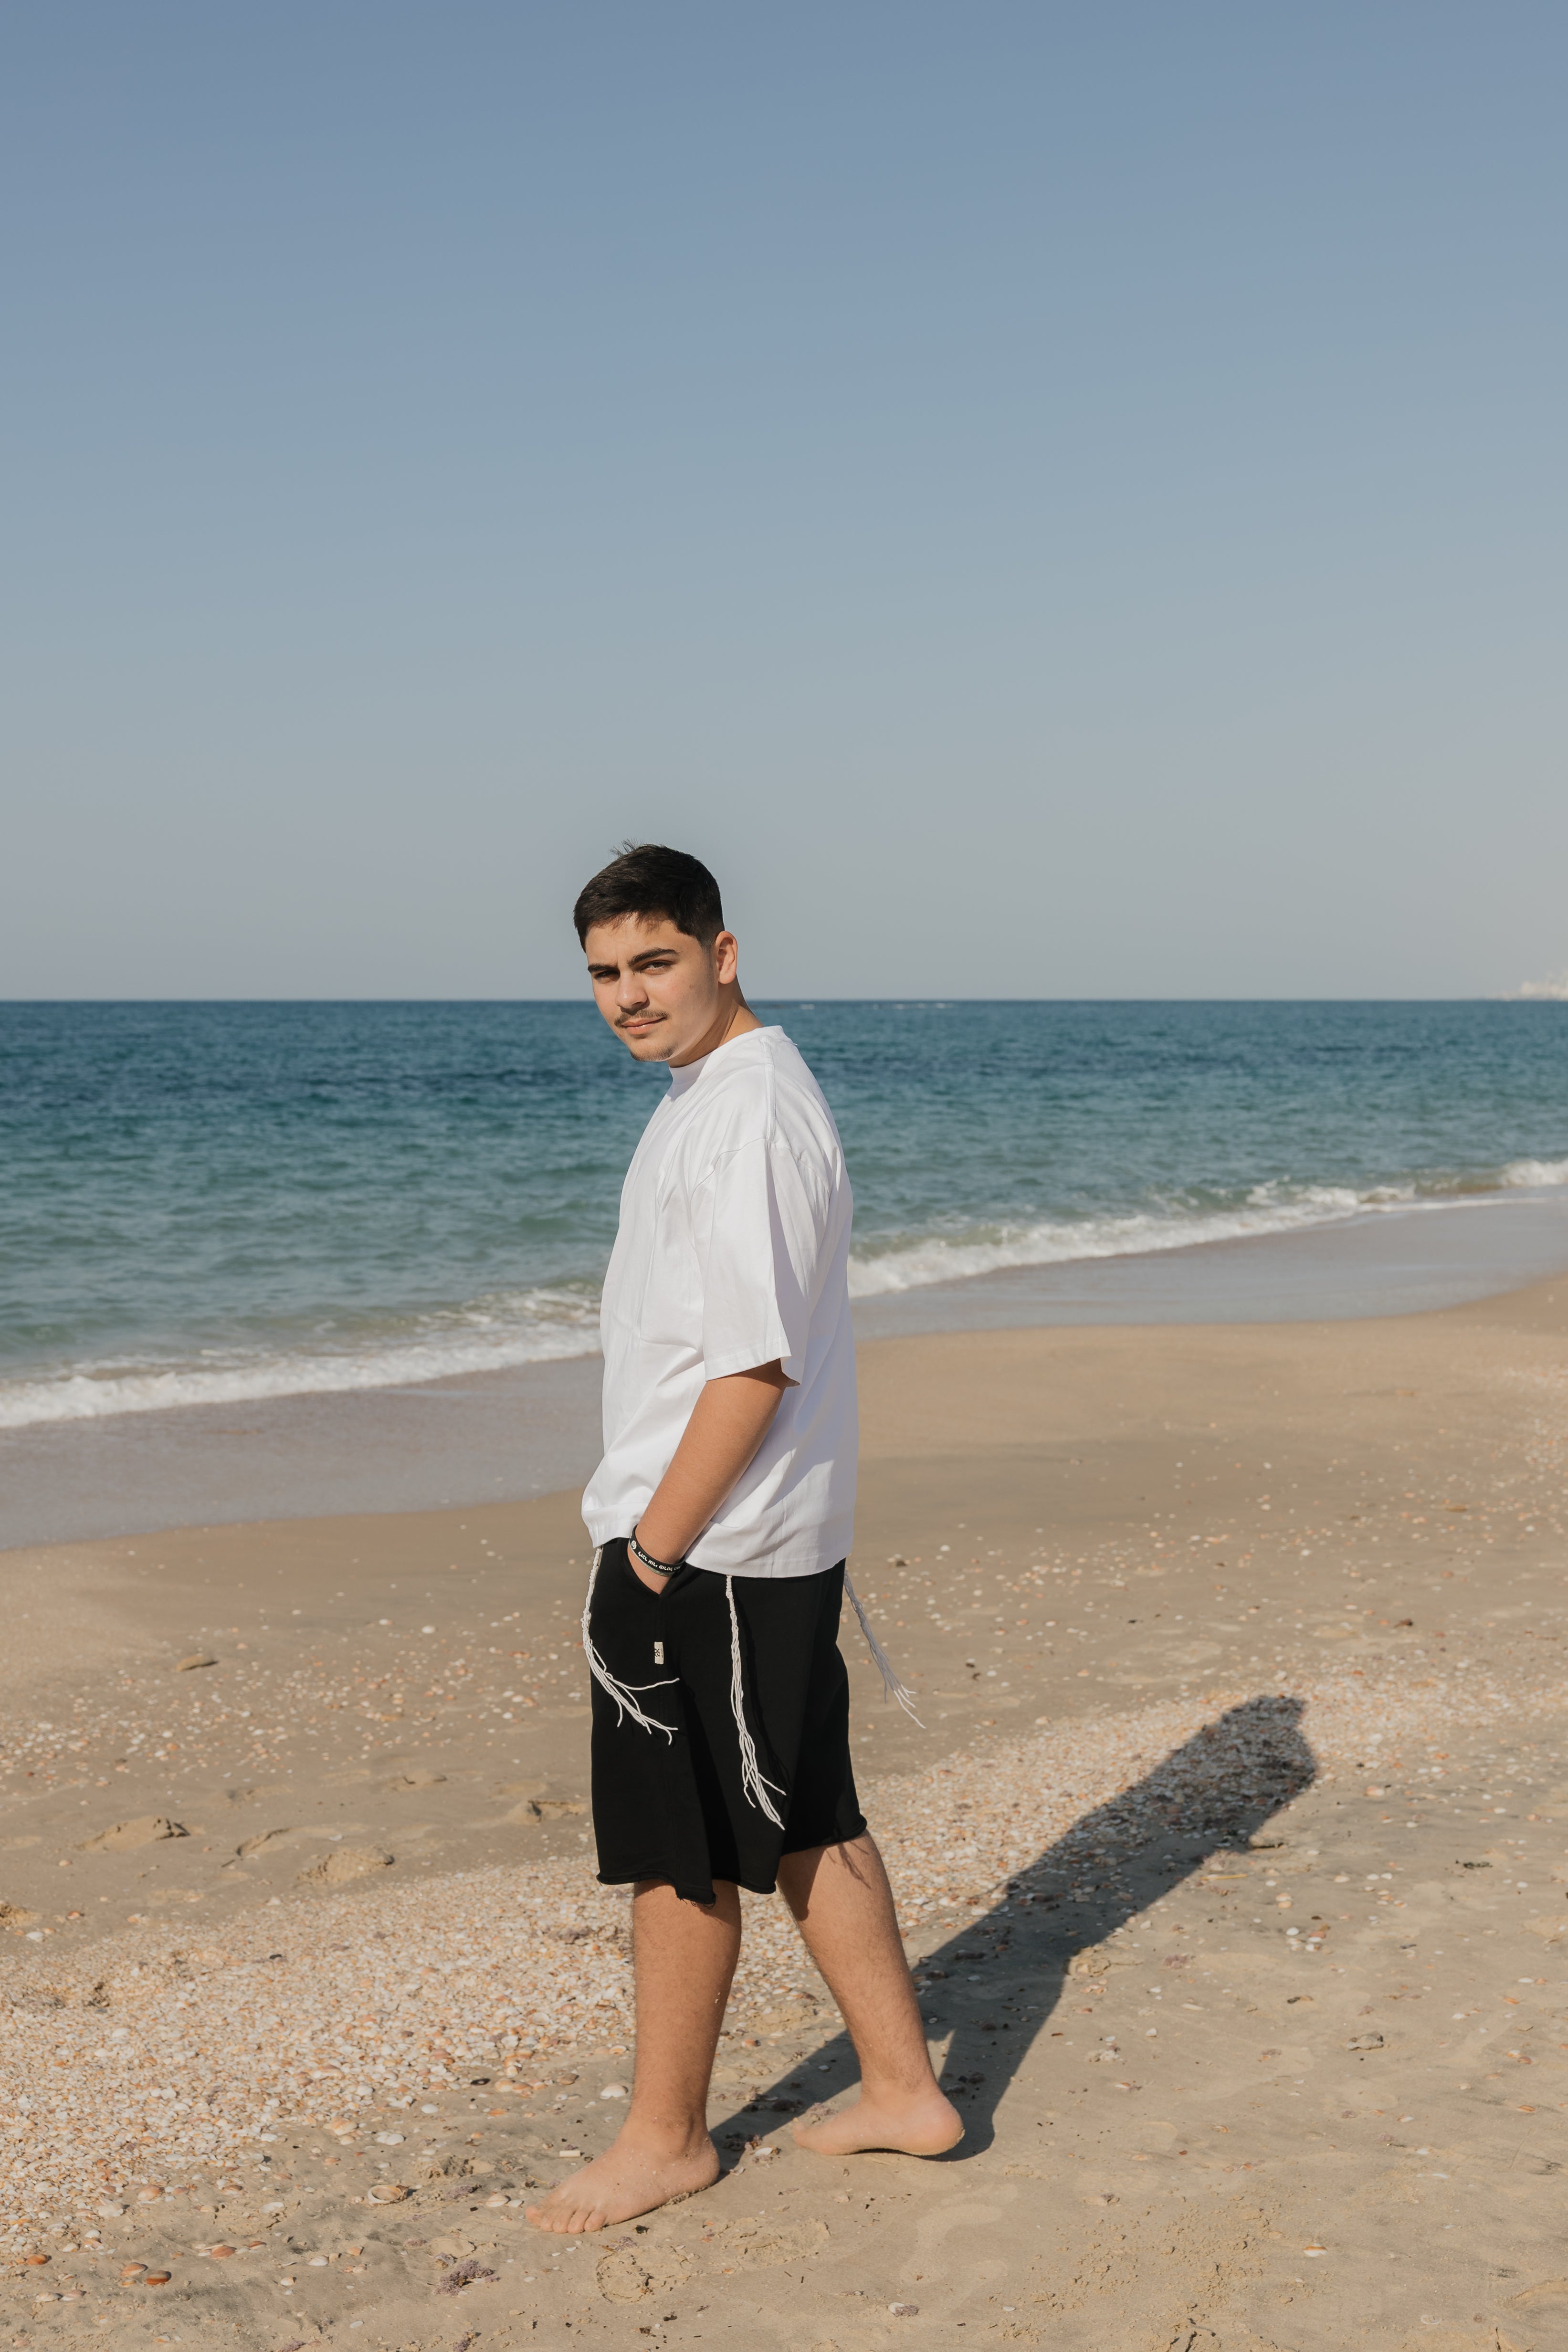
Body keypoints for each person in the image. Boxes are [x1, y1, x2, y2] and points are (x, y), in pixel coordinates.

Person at [526, 843, 960, 2236]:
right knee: (806, 1810)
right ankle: (903, 2087)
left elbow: (753, 1367)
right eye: (604, 973)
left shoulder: (749, 1115)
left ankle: (666, 2138)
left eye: (654, 962)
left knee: (685, 1845)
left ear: (722, 953)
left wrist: (649, 1556)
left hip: (711, 1545)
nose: (627, 996)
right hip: (752, 1539)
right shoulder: (716, 1092)